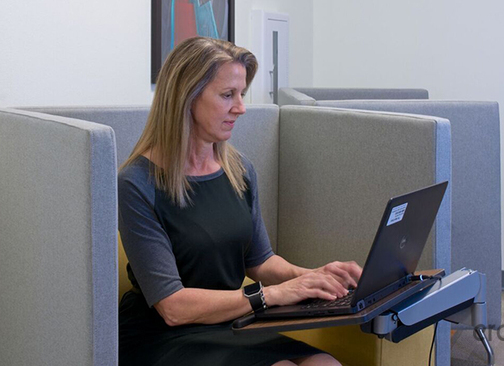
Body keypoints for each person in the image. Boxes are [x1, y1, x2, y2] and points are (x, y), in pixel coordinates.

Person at [118, 37, 362, 365]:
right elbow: (173, 307)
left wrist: (313, 277)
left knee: (326, 364)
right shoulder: (137, 182)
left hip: (233, 322)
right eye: (227, 95)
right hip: (164, 335)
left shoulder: (238, 170)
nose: (241, 107)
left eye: (242, 94)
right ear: (185, 98)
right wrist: (271, 295)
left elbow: (260, 262)